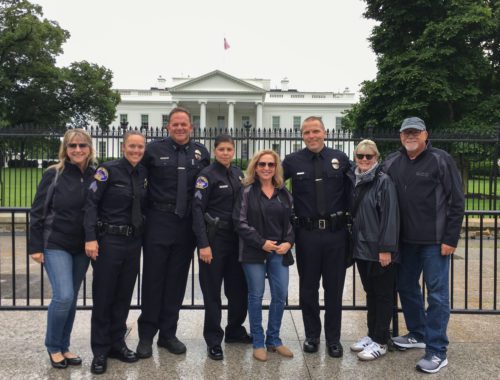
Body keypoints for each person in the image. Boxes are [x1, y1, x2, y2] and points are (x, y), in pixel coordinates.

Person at [383, 117, 465, 374]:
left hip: (434, 242)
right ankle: (418, 333)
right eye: (406, 133)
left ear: (425, 135)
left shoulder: (441, 159)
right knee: (406, 286)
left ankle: (437, 350)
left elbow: (456, 201)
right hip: (405, 242)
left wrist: (450, 239)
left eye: (415, 133)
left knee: (438, 295)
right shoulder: (392, 162)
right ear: (400, 136)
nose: (411, 137)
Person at [136, 107, 210, 358]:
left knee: (177, 283)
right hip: (158, 220)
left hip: (185, 225)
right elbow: (138, 182)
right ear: (169, 127)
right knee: (153, 281)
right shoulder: (154, 150)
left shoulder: (201, 153)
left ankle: (168, 334)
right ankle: (146, 336)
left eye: (184, 124)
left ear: (192, 126)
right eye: (175, 124)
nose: (180, 128)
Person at [282, 116, 353, 358]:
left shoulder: (340, 159)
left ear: (325, 132)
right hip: (307, 235)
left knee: (334, 289)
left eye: (315, 131)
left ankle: (333, 339)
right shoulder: (292, 161)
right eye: (307, 132)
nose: (311, 136)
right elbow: (270, 181)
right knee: (308, 289)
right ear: (302, 135)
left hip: (336, 234)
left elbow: (358, 187)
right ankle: (312, 335)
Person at [29, 129, 96, 369]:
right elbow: (37, 211)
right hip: (56, 243)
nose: (77, 150)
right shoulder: (53, 174)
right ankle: (53, 346)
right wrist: (35, 247)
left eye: (82, 146)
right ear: (65, 150)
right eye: (72, 146)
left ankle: (65, 347)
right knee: (64, 295)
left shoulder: (96, 175)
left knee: (71, 299)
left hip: (82, 247)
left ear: (89, 148)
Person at [84, 131, 148, 374]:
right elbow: (90, 204)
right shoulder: (107, 170)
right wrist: (90, 238)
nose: (136, 151)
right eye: (132, 146)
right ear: (123, 147)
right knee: (104, 297)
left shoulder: (143, 173)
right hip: (109, 240)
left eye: (140, 147)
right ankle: (100, 350)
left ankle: (116, 343)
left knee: (123, 296)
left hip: (133, 242)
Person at [192, 134, 251, 361]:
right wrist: (203, 244)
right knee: (212, 293)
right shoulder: (206, 176)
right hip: (214, 240)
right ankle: (213, 340)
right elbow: (197, 210)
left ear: (233, 151)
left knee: (238, 290)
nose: (226, 153)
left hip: (236, 240)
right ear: (215, 151)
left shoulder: (237, 173)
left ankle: (234, 330)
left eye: (229, 149)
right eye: (222, 149)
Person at [233, 149, 295, 362]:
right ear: (255, 167)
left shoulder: (283, 192)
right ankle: (258, 341)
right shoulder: (247, 191)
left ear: (276, 167)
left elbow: (291, 221)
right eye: (262, 164)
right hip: (254, 251)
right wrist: (261, 242)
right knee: (256, 295)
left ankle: (274, 339)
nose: (266, 168)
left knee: (280, 295)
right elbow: (239, 222)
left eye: (270, 164)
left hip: (279, 251)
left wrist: (288, 241)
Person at [348, 139, 400, 361]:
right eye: (360, 156)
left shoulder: (383, 181)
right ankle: (372, 334)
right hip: (362, 249)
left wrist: (386, 249)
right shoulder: (357, 181)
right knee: (371, 294)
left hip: (379, 250)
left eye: (369, 156)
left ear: (376, 158)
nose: (365, 160)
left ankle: (381, 340)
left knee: (384, 295)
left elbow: (390, 216)